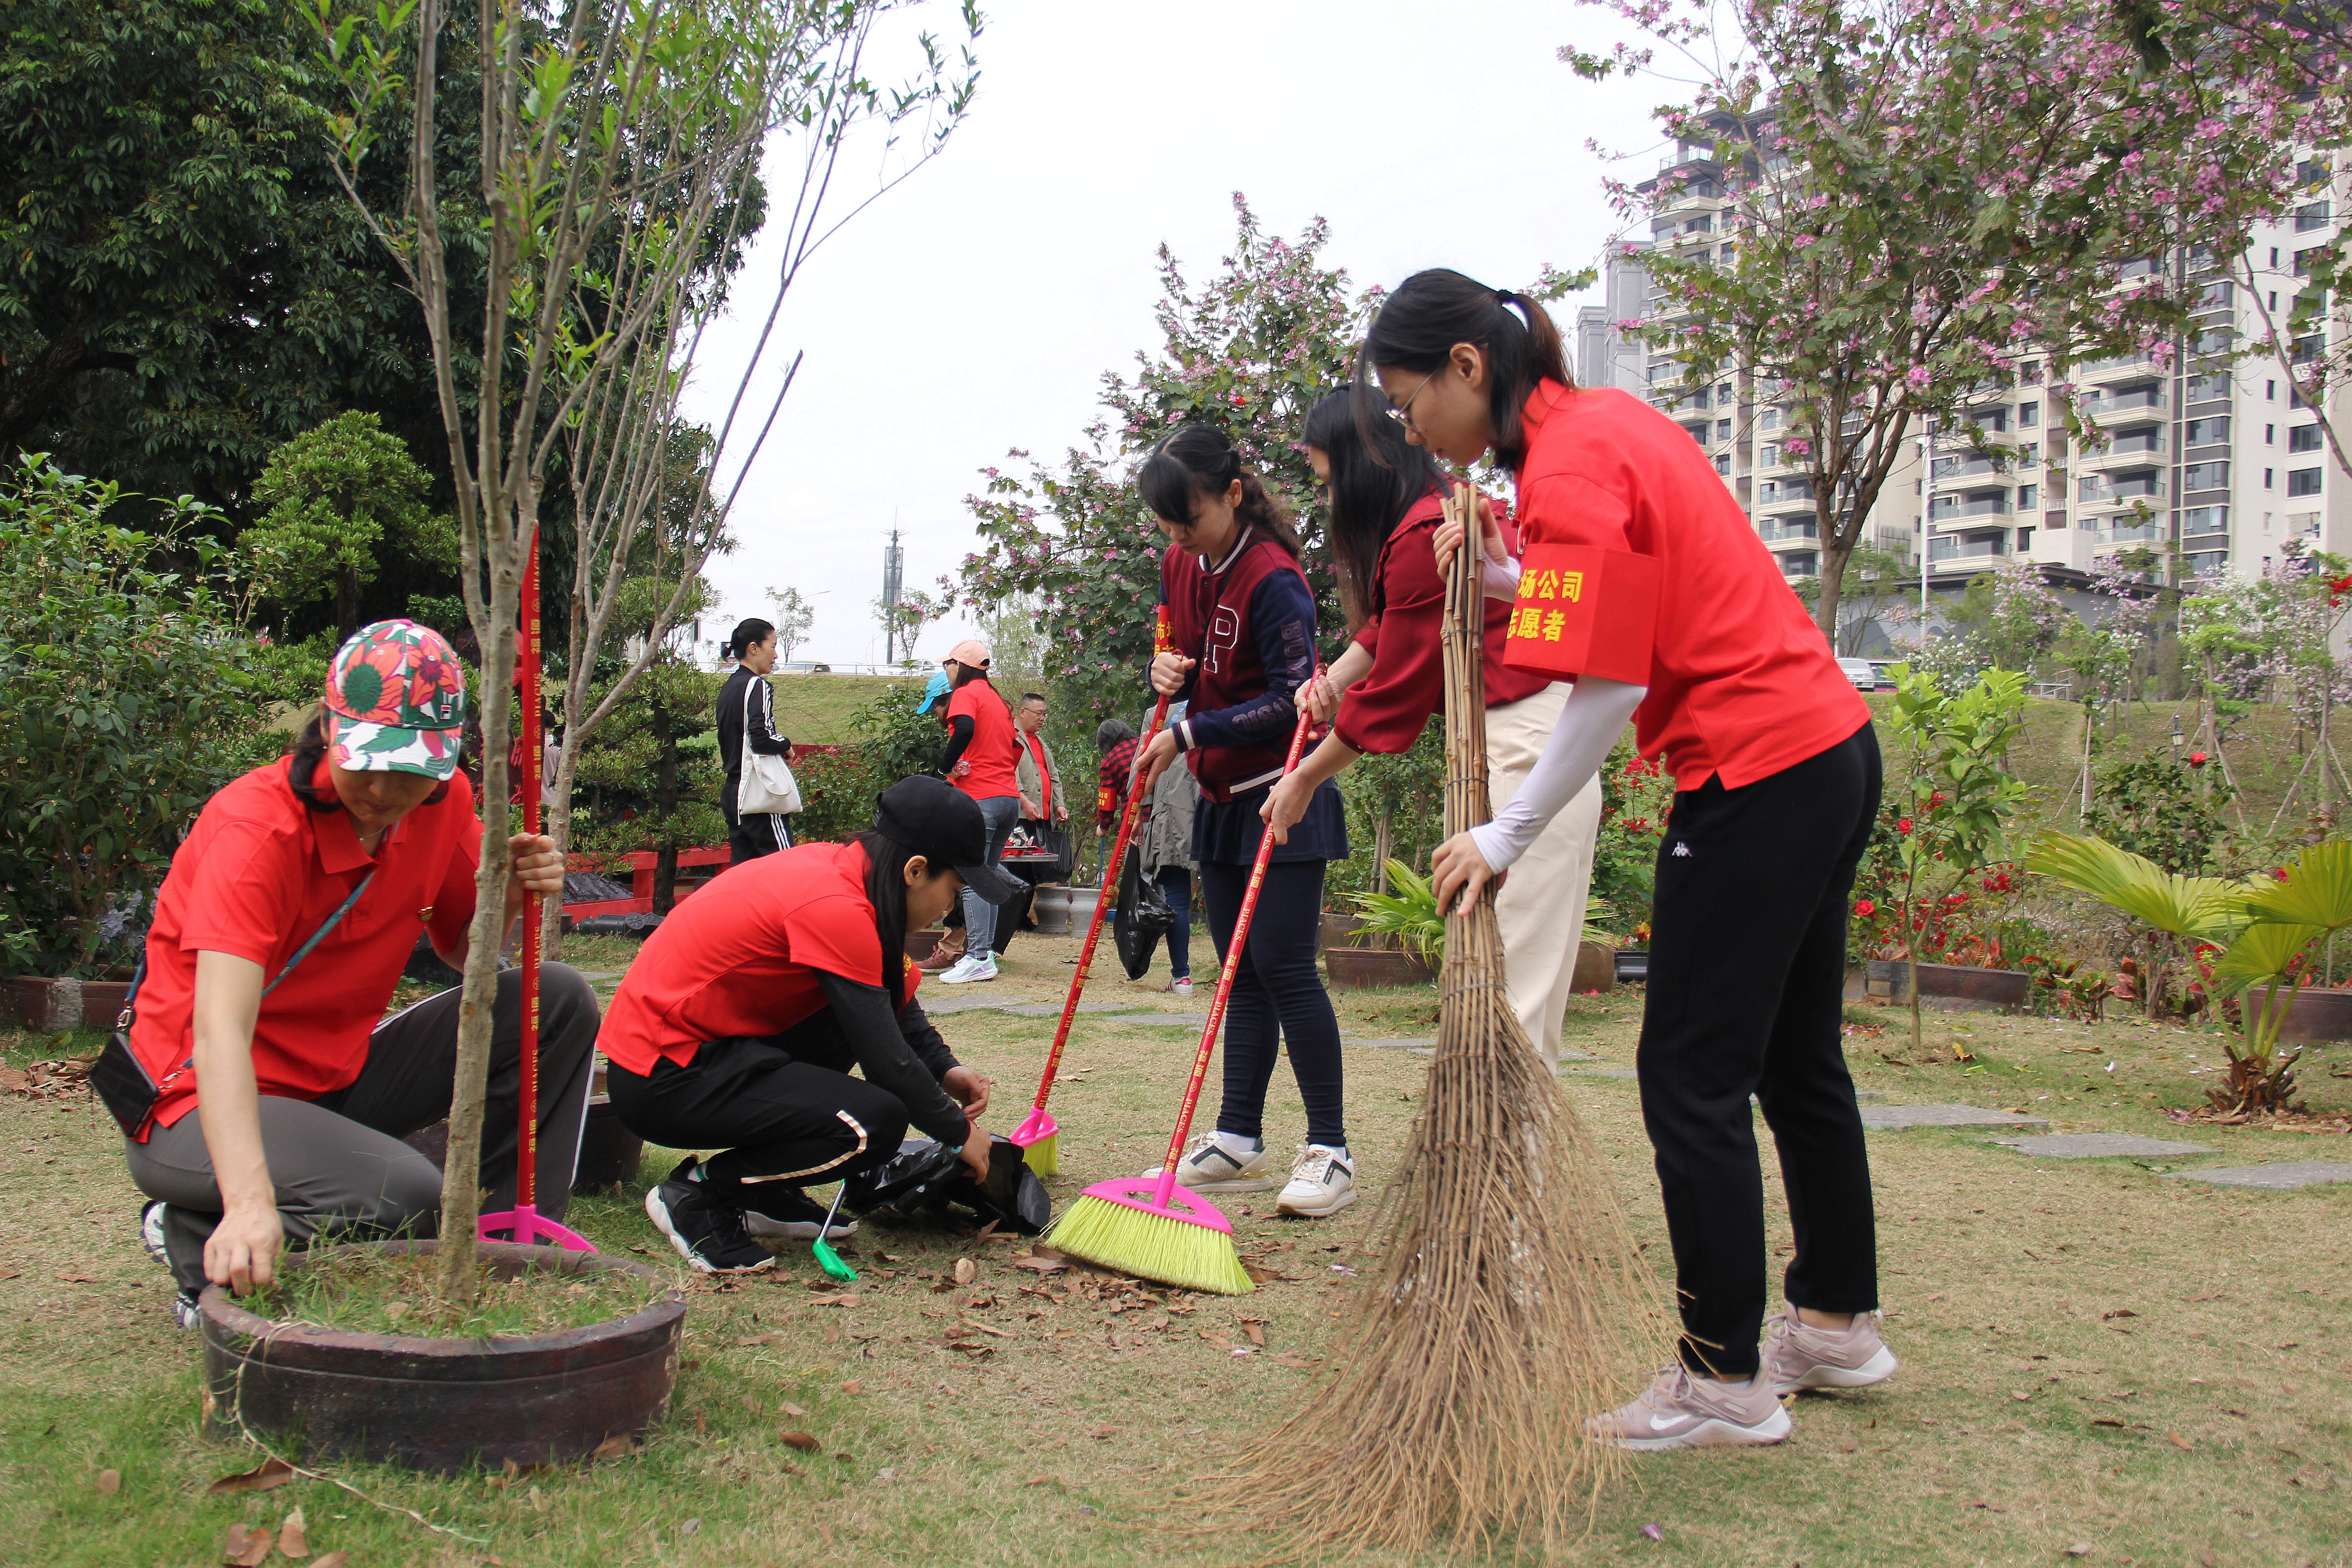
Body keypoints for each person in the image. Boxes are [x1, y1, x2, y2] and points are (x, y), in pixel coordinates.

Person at [1367, 268, 1889, 1449]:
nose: (1409, 430)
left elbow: (1609, 683)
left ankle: (1721, 1381)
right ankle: (1837, 1323)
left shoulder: (1571, 463)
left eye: (1408, 403)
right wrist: (1501, 578)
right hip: (1831, 750)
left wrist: (1510, 829)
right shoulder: (1597, 433)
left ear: (1464, 368)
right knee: (1798, 1060)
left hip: (1755, 769)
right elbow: (1589, 616)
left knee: (1689, 1076)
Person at [120, 620, 594, 1326]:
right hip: (190, 1100)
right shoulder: (256, 833)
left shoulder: (447, 802)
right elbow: (219, 1032)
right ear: (328, 729)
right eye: (365, 759)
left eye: (409, 767)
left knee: (553, 999)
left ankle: (498, 1243)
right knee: (403, 1196)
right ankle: (196, 1233)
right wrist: (250, 1201)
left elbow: (467, 951)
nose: (381, 788)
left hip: (335, 1079)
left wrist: (514, 894)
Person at [1264, 387, 1603, 1067]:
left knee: (1514, 1000)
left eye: (1331, 482)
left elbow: (1397, 693)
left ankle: (1507, 1169)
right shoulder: (1425, 522)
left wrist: (1304, 777)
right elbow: (1389, 627)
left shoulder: (1427, 532)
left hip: (1522, 750)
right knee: (1508, 991)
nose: (1331, 503)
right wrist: (1334, 681)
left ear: (1363, 468)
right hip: (1513, 748)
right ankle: (1502, 1165)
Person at [601, 777, 1022, 1273]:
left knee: (846, 1025)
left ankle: (765, 1193)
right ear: (915, 871)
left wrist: (946, 1069)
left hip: (710, 1051)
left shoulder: (853, 878)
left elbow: (895, 1004)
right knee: (876, 1123)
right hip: (663, 1074)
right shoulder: (835, 907)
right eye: (954, 890)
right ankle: (701, 1194)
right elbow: (887, 1061)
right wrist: (959, 1132)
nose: (951, 908)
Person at [1130, 425, 1356, 1219]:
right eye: (1165, 524)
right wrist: (1164, 666)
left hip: (1283, 790)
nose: (1177, 537)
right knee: (1237, 971)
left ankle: (1329, 1148)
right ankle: (1237, 1135)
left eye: (1187, 519)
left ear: (1230, 494)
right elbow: (1172, 639)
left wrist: (1185, 730)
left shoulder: (1274, 579)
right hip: (1222, 800)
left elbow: (1296, 702)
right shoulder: (1178, 561)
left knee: (1285, 967)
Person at [932, 639, 1022, 984]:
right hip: (1007, 799)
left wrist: (946, 766)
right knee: (985, 875)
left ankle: (980, 956)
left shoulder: (966, 694)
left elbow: (966, 728)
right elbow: (1016, 748)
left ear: (962, 666)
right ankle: (984, 954)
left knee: (972, 880)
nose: (946, 672)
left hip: (980, 799)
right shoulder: (999, 700)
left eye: (948, 665)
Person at [717, 617, 794, 864]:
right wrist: (785, 744)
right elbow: (761, 738)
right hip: (758, 791)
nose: (775, 655)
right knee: (785, 868)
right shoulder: (757, 686)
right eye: (772, 646)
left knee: (744, 875)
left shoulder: (729, 687)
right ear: (754, 648)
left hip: (733, 791)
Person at [1137, 702, 1201, 997]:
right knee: (1232, 893)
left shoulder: (1160, 713)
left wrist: (1136, 811)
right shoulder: (1227, 701)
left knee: (1176, 897)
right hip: (1222, 809)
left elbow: (1142, 766)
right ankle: (1240, 976)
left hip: (1175, 815)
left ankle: (1182, 976)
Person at [1012, 691, 1069, 862]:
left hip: (1043, 817)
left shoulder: (1040, 743)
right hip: (1022, 817)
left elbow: (1053, 776)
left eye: (1045, 714)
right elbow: (1009, 774)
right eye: (1038, 713)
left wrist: (1059, 804)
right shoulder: (1011, 737)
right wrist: (1024, 802)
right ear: (1022, 712)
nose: (1042, 718)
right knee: (1020, 869)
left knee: (1041, 869)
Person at [1093, 717, 1140, 884]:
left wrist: (1103, 827)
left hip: (1133, 820)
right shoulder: (1145, 744)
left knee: (1137, 875)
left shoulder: (1110, 761)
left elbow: (1107, 802)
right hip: (1164, 813)